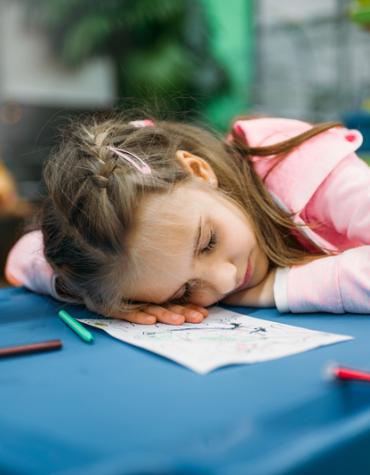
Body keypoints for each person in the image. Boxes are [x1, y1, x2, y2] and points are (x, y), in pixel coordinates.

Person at [5, 114, 370, 324]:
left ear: (198, 169)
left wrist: (277, 287)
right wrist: (102, 296)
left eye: (209, 241)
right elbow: (23, 256)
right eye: (184, 291)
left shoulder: (304, 167)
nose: (226, 280)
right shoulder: (128, 248)